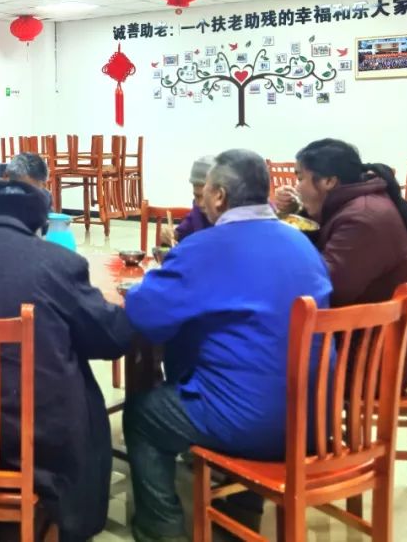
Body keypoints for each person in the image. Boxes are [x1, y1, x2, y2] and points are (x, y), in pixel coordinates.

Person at [123, 149, 331, 542]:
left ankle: (161, 531)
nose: (200, 198)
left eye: (204, 190)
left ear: (219, 195)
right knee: (249, 367)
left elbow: (146, 314)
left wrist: (140, 290)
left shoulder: (206, 247)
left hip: (250, 422)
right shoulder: (302, 245)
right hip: (315, 420)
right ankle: (240, 512)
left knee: (143, 415)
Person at [0, 178, 134, 542]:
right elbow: (111, 341)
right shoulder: (60, 263)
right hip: (36, 440)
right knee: (83, 392)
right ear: (41, 221)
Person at [278, 138, 407, 385]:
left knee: (258, 360)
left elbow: (328, 292)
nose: (297, 187)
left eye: (300, 178)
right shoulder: (353, 206)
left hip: (368, 364)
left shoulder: (363, 219)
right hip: (360, 342)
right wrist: (298, 212)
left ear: (329, 181)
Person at [158, 155, 215, 246]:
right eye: (197, 196)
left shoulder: (231, 220)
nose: (200, 203)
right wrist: (171, 235)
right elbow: (181, 232)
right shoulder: (197, 211)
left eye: (205, 197)